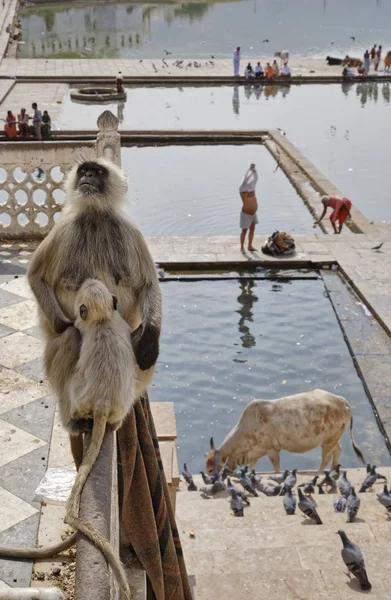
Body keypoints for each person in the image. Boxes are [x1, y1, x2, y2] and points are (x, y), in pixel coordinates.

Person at [239, 163, 258, 251]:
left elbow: (254, 180)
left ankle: (250, 246)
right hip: (246, 213)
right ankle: (242, 247)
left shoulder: (252, 190)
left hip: (253, 213)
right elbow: (246, 181)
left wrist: (253, 170)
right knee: (244, 231)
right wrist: (249, 171)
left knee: (252, 229)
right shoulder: (243, 192)